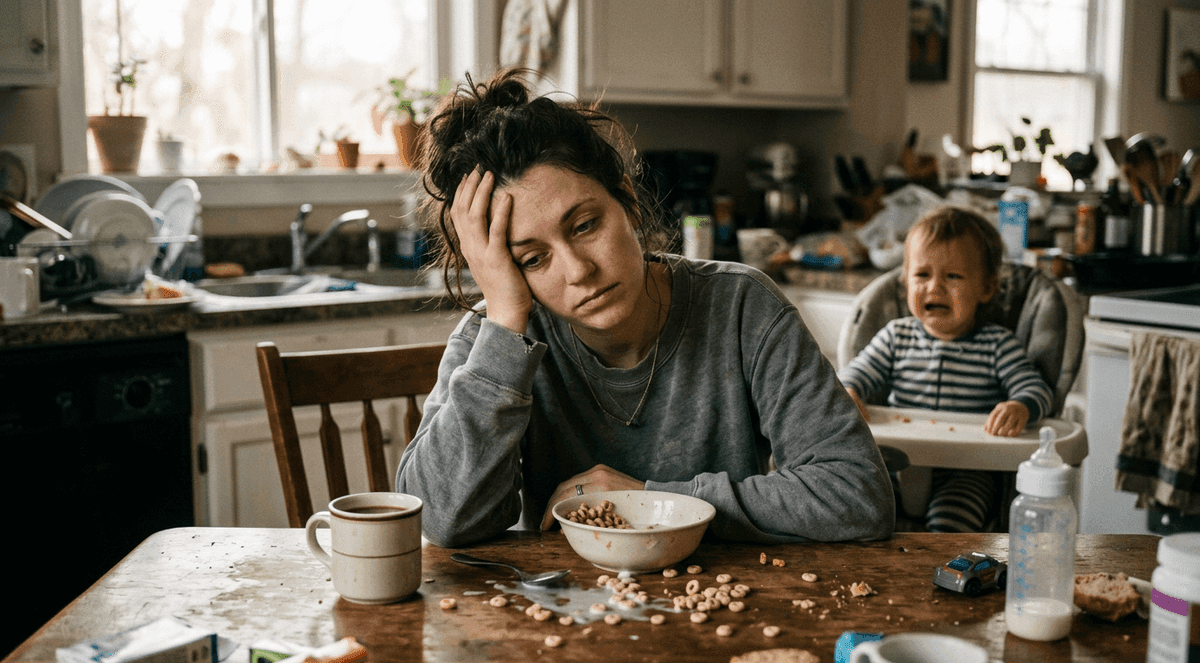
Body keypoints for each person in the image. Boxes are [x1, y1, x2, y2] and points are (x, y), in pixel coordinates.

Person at [395, 68, 894, 548]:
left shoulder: (743, 307)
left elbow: (856, 493)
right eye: (533, 258)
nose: (578, 270)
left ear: (628, 201)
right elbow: (440, 519)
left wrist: (653, 502)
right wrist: (505, 323)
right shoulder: (494, 338)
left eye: (585, 225)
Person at [838, 206, 1053, 533]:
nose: (934, 288)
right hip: (895, 463)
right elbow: (854, 375)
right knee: (856, 509)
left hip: (968, 470)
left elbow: (1037, 389)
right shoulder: (896, 337)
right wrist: (849, 393)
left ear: (987, 288)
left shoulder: (997, 345)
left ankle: (939, 568)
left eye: (953, 276)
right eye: (922, 275)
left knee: (951, 525)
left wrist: (1020, 406)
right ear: (905, 282)